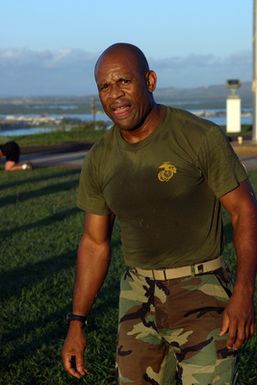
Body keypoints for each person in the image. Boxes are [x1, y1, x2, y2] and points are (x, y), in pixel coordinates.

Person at [61, 43, 257, 385]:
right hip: (137, 296)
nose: (115, 95)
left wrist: (243, 293)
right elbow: (94, 243)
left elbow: (245, 212)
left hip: (202, 291)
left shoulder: (198, 136)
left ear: (149, 81)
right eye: (105, 87)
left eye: (124, 81)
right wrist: (77, 321)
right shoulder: (100, 158)